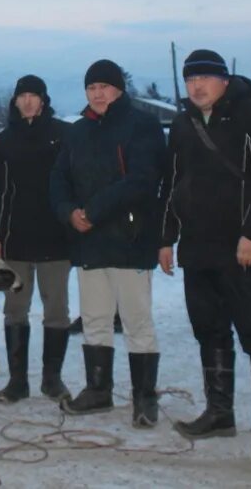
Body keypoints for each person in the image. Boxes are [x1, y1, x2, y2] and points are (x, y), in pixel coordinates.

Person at [159, 49, 251, 457]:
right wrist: (166, 237)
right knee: (209, 330)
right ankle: (220, 413)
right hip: (198, 248)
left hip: (244, 249)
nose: (196, 86)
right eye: (190, 79)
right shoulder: (182, 125)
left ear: (225, 80)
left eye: (205, 78)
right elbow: (171, 182)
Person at [51, 60, 167, 427]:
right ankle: (98, 390)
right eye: (91, 87)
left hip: (130, 238)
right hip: (88, 243)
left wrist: (94, 210)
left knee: (137, 321)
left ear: (118, 89)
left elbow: (143, 179)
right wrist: (69, 212)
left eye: (104, 86)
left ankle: (144, 398)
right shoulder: (77, 131)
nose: (97, 93)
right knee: (96, 320)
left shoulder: (142, 126)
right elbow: (59, 178)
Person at [0, 74, 73, 404]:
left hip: (55, 239)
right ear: (15, 101)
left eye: (33, 95)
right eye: (21, 95)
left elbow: (73, 183)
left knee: (57, 311)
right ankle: (17, 381)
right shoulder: (3, 141)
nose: (27, 101)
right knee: (15, 310)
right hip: (15, 241)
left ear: (43, 99)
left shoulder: (64, 135)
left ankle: (52, 379)